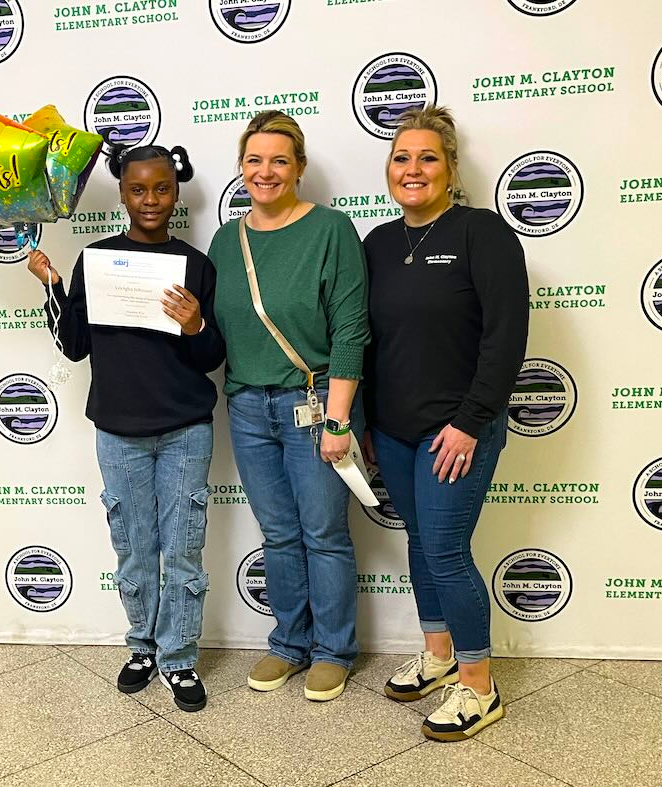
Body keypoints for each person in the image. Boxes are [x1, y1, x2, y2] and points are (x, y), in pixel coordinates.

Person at [27, 144, 224, 712]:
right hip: (118, 431)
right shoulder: (96, 260)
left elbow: (212, 356)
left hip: (186, 428)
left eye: (162, 188)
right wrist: (52, 285)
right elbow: (73, 345)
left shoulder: (196, 265)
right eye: (139, 190)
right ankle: (141, 647)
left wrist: (195, 324)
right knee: (134, 549)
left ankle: (179, 659)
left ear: (176, 191)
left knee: (184, 550)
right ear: (121, 193)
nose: (151, 200)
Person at [362, 105, 528, 740]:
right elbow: (367, 341)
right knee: (420, 544)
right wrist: (370, 423)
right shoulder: (378, 243)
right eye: (402, 158)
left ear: (451, 169)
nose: (413, 169)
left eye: (427, 157)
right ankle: (437, 655)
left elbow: (505, 338)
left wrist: (469, 421)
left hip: (458, 428)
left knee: (446, 549)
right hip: (395, 432)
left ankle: (479, 685)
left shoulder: (482, 234)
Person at [208, 110, 370, 702]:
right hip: (249, 407)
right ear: (241, 168)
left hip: (315, 400)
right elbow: (217, 328)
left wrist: (337, 417)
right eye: (254, 160)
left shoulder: (331, 230)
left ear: (298, 167)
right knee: (278, 534)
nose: (266, 171)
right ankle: (289, 644)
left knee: (323, 532)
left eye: (279, 160)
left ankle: (333, 651)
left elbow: (351, 331)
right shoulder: (227, 240)